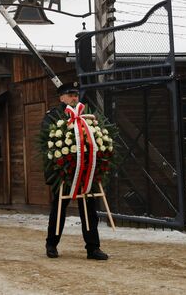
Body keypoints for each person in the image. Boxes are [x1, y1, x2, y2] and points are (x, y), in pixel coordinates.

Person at [43, 82, 109, 261]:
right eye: (70, 95)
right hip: (64, 170)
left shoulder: (86, 114)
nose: (74, 98)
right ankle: (51, 244)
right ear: (61, 97)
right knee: (59, 208)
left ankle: (93, 248)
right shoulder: (53, 116)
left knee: (89, 209)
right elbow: (47, 141)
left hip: (85, 171)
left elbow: (95, 136)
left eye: (76, 95)